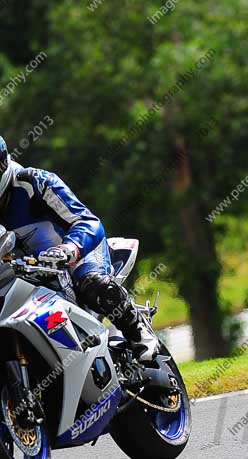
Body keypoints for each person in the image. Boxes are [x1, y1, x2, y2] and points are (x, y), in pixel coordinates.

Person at [0, 136, 158, 361]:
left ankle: (139, 332)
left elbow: (88, 222)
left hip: (74, 255)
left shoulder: (36, 183)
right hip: (23, 276)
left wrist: (68, 249)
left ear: (3, 163)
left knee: (91, 282)